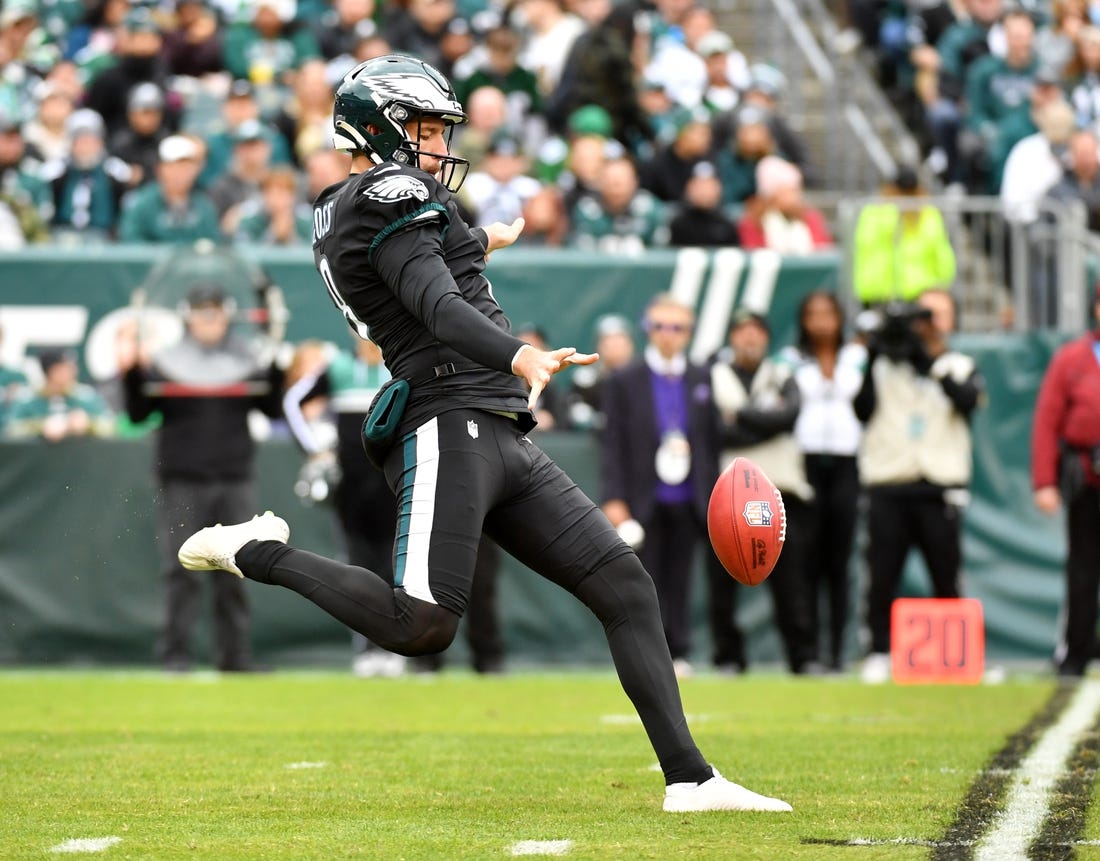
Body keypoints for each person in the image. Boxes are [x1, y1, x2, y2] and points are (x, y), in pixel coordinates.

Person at [177, 54, 791, 813]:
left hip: (495, 422)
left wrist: (480, 247)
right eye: (426, 128)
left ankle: (691, 779)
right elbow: (433, 305)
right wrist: (519, 349)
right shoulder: (386, 195)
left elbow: (416, 273)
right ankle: (256, 550)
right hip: (447, 414)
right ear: (381, 128)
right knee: (423, 624)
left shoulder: (363, 204)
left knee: (625, 585)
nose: (438, 145)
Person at [118, 282, 287, 673]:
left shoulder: (246, 359)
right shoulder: (167, 361)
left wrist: (276, 366)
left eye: (215, 311)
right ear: (187, 315)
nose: (208, 320)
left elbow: (273, 409)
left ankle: (235, 657)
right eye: (200, 311)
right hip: (182, 479)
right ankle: (175, 656)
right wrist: (132, 371)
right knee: (180, 570)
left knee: (237, 567)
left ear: (227, 315)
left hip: (234, 477)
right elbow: (139, 412)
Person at [854, 289, 985, 683]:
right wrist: (876, 354)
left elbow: (966, 401)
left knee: (946, 572)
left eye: (934, 316)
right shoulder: (880, 366)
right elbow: (860, 410)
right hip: (889, 484)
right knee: (882, 574)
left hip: (938, 486)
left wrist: (928, 362)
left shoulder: (958, 363)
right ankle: (879, 650)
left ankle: (958, 654)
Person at [600, 294, 722, 680]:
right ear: (648, 329)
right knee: (642, 581)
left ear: (688, 332)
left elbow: (710, 442)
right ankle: (648, 654)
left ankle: (680, 652)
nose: (669, 335)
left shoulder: (701, 376)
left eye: (678, 327)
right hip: (643, 498)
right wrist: (614, 497)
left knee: (682, 579)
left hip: (689, 497)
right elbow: (613, 442)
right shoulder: (626, 379)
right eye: (661, 326)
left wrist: (714, 496)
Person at [710, 309, 819, 675]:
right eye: (742, 331)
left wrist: (738, 414)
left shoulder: (783, 374)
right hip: (726, 497)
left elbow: (789, 416)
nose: (750, 338)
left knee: (792, 583)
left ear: (767, 337)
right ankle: (729, 656)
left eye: (756, 330)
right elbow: (713, 430)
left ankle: (802, 656)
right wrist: (763, 421)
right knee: (723, 583)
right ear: (731, 337)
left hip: (779, 492)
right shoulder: (715, 374)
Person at [778, 292, 865, 671]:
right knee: (805, 560)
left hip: (846, 461)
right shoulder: (791, 359)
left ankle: (837, 651)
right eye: (813, 314)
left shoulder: (856, 356)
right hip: (806, 464)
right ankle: (808, 649)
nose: (821, 322)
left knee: (839, 561)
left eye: (828, 313)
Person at [1032, 284, 1100, 676]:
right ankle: (1075, 652)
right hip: (1086, 476)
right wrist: (1045, 480)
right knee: (1083, 568)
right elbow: (1046, 422)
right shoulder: (1071, 358)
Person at [4, 348, 115, 440]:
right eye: (64, 368)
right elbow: (10, 429)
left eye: (72, 367)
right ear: (50, 372)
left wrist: (88, 424)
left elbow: (111, 426)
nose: (72, 372)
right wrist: (42, 426)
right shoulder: (28, 398)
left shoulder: (85, 397)